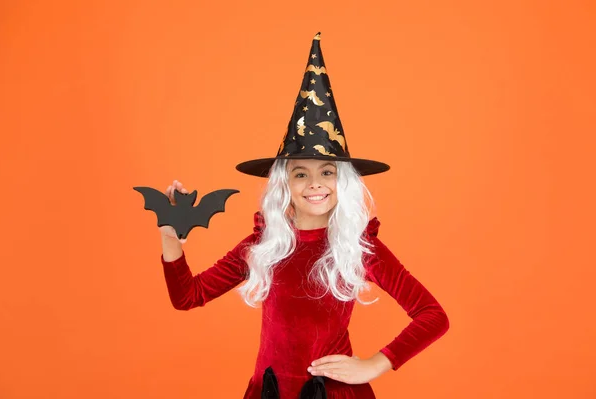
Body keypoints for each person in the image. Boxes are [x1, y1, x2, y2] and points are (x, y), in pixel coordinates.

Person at [158, 33, 449, 399]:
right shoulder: (263, 246)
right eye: (301, 173)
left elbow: (432, 315)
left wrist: (376, 362)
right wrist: (170, 238)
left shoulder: (359, 248)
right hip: (270, 391)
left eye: (327, 172)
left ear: (342, 181)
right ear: (285, 183)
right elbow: (188, 295)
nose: (315, 184)